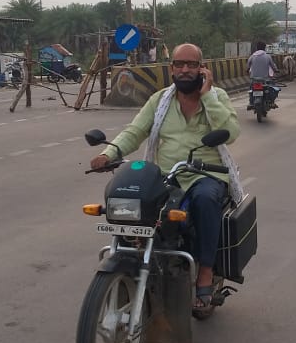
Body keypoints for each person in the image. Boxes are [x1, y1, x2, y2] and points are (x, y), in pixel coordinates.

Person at [90, 43, 242, 314]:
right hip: (167, 175)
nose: (185, 70)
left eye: (191, 64)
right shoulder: (160, 100)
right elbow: (135, 131)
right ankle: (134, 259)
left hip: (205, 173)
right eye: (179, 64)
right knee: (134, 199)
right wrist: (109, 152)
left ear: (202, 68)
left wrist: (207, 96)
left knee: (206, 199)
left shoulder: (216, 97)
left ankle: (205, 273)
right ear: (171, 68)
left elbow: (230, 131)